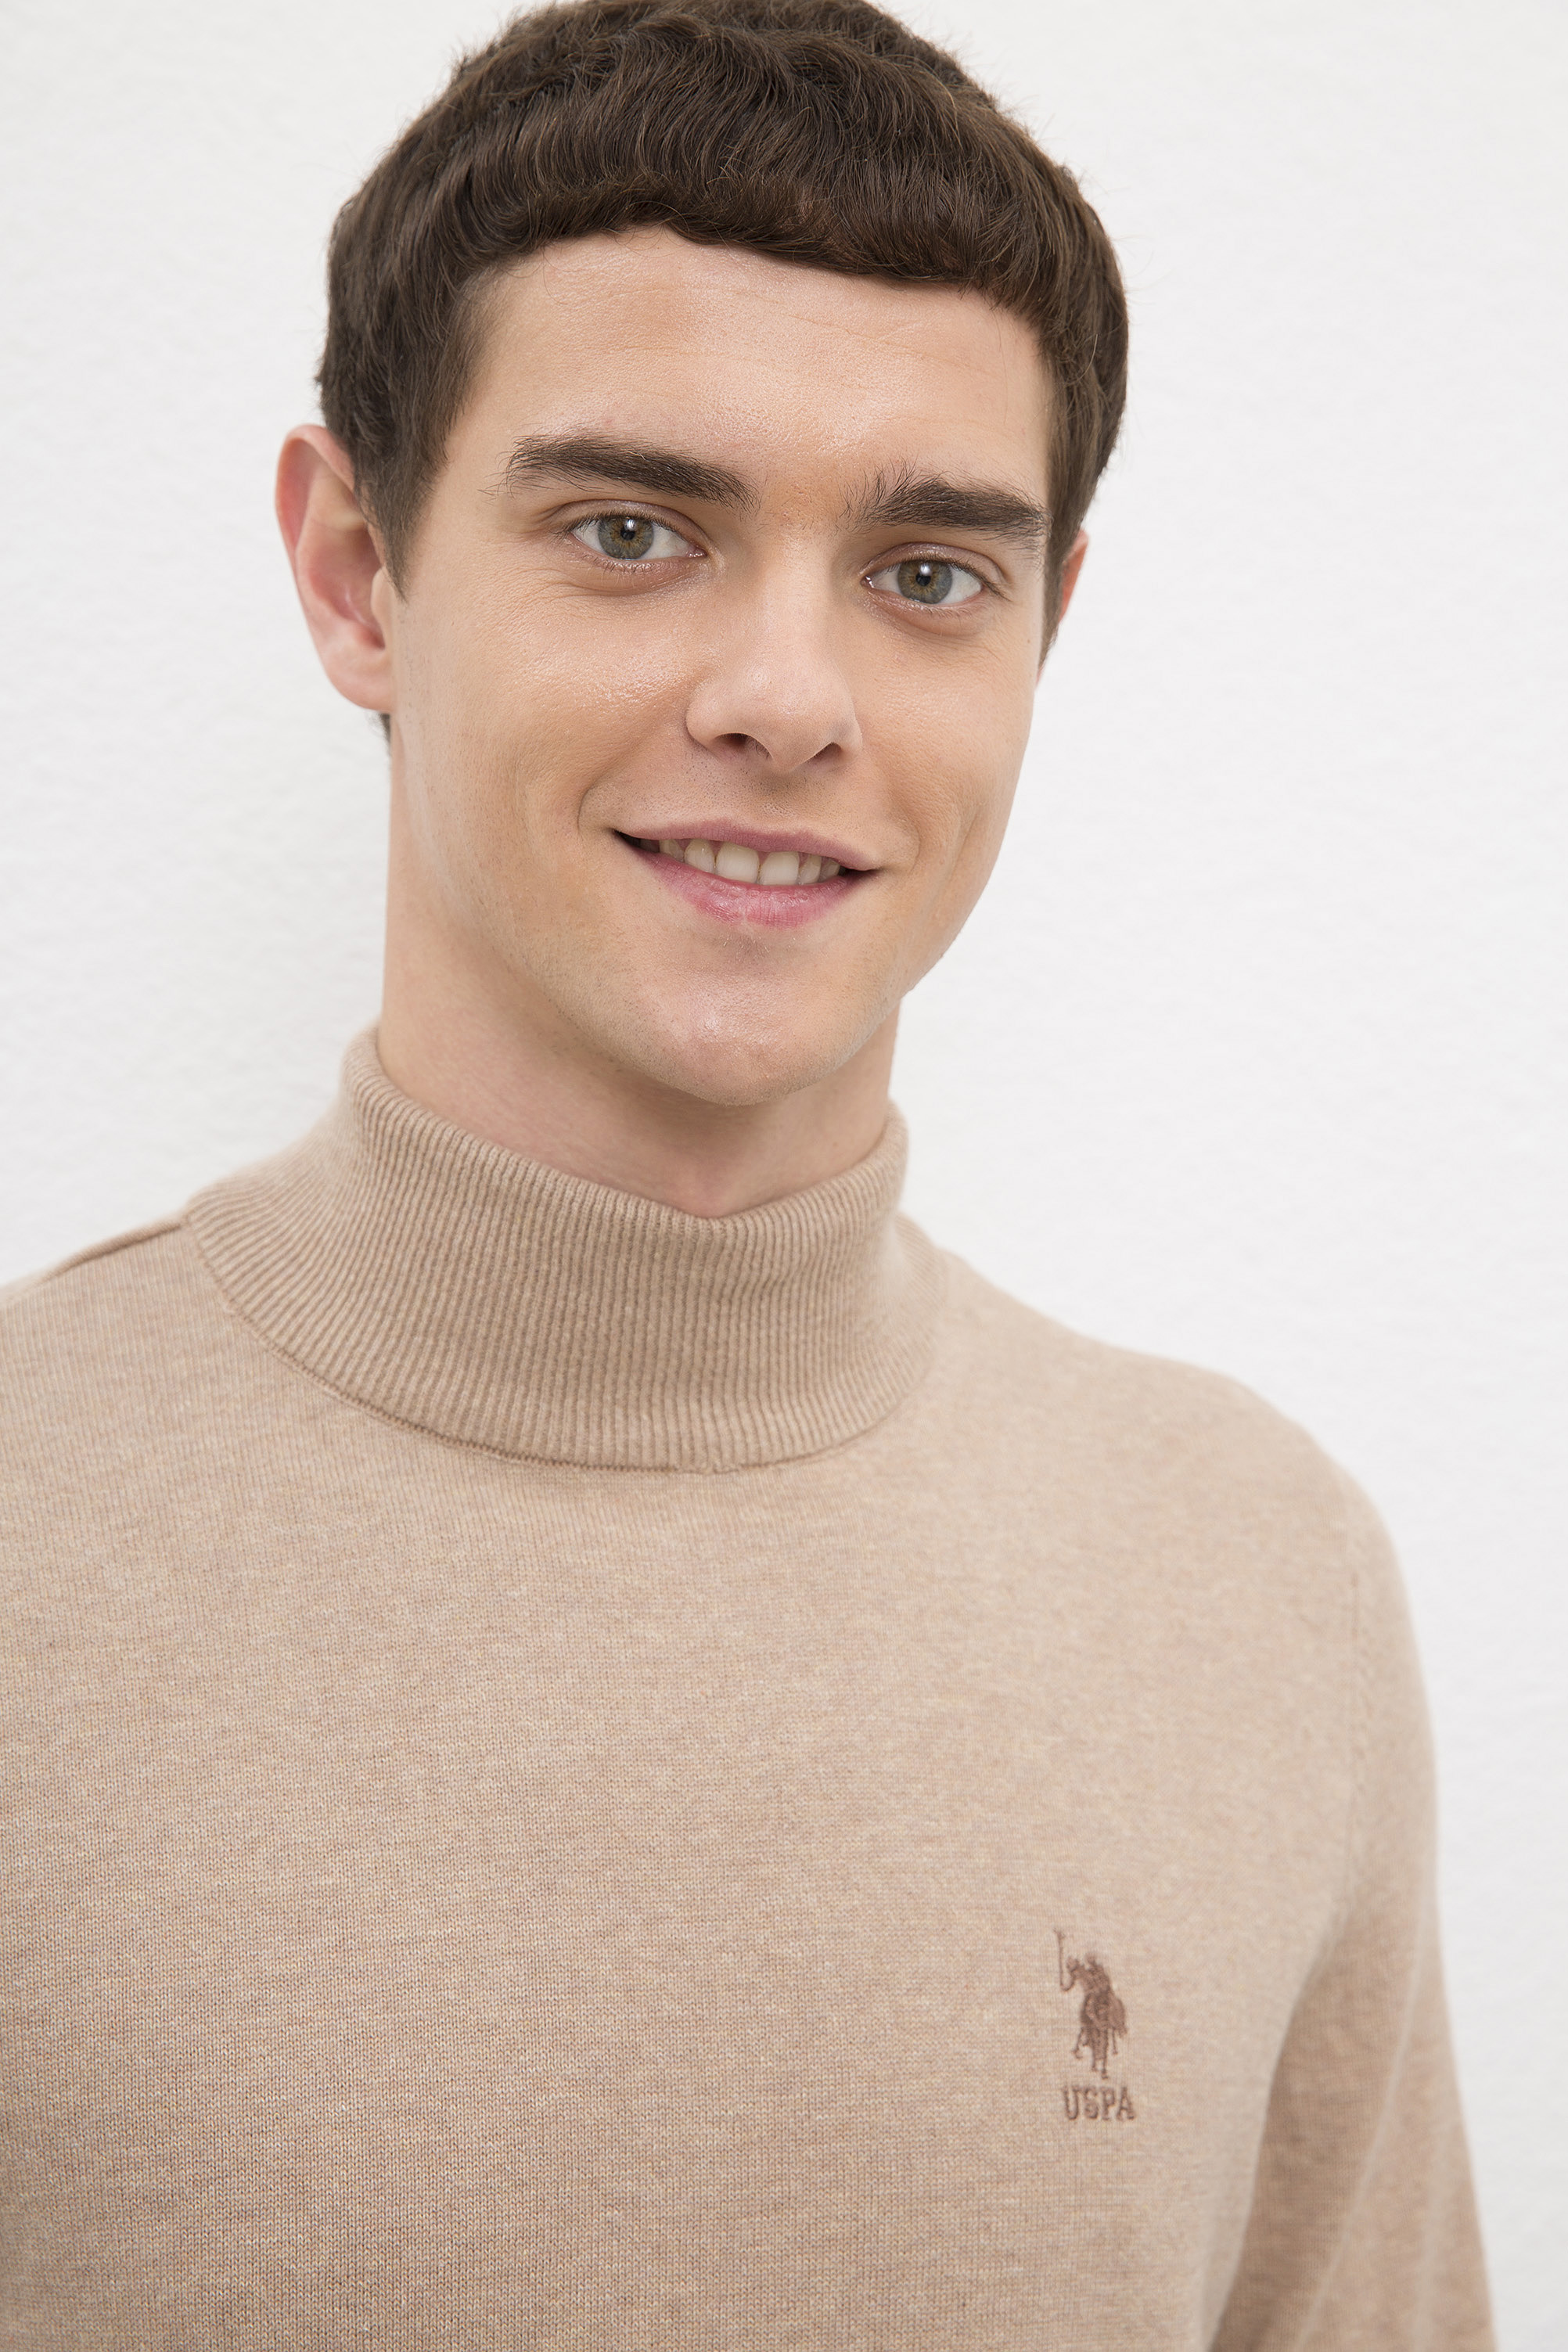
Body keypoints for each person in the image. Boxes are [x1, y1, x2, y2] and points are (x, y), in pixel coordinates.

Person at [0, 0, 1492, 2341]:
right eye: (632, 531)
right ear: (359, 574)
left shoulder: (1260, 1578)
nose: (789, 701)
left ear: (1046, 630)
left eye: (927, 573)